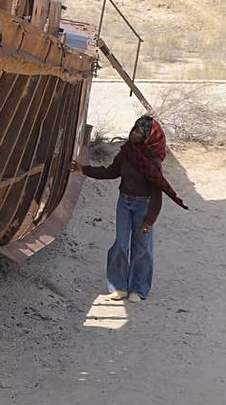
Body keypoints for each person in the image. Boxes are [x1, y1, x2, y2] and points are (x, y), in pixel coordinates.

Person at [70, 116, 188, 303]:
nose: (133, 134)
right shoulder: (126, 153)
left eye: (139, 132)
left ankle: (138, 289)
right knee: (121, 244)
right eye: (134, 130)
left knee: (141, 248)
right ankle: (118, 287)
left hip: (144, 206)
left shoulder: (153, 161)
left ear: (148, 137)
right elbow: (111, 172)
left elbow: (157, 193)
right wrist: (83, 169)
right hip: (124, 203)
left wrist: (150, 220)